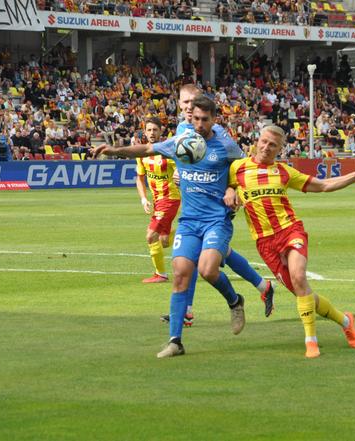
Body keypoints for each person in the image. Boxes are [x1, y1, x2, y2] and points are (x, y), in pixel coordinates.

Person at [92, 96, 250, 359]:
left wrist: (233, 188)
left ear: (214, 120)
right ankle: (175, 341)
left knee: (209, 270)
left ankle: (235, 301)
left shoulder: (225, 146)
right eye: (195, 118)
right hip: (189, 221)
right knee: (179, 275)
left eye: (205, 119)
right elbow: (146, 150)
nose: (199, 124)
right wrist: (114, 151)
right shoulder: (181, 142)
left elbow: (244, 169)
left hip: (216, 220)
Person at [226, 125, 355, 358]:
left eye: (273, 145)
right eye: (264, 141)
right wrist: (229, 189)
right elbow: (224, 185)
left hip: (289, 231)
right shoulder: (237, 168)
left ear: (280, 149)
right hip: (265, 243)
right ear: (257, 140)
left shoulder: (284, 172)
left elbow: (324, 185)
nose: (266, 147)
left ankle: (311, 341)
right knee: (302, 292)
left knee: (298, 277)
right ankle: (346, 321)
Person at [159, 84, 275, 328]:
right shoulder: (182, 128)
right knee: (215, 253)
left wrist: (232, 188)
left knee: (198, 258)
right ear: (179, 105)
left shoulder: (216, 131)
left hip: (218, 204)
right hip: (194, 202)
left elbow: (236, 163)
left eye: (193, 101)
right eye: (185, 102)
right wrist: (179, 173)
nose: (189, 107)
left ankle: (188, 309)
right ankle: (263, 286)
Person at [135, 117, 181, 286]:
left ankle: (160, 274)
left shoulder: (169, 152)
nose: (152, 133)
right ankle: (196, 234)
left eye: (155, 130)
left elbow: (182, 171)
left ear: (161, 131)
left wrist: (179, 173)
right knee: (164, 241)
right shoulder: (142, 154)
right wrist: (143, 199)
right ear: (144, 131)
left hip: (170, 199)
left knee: (150, 236)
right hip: (157, 201)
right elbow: (139, 178)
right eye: (149, 130)